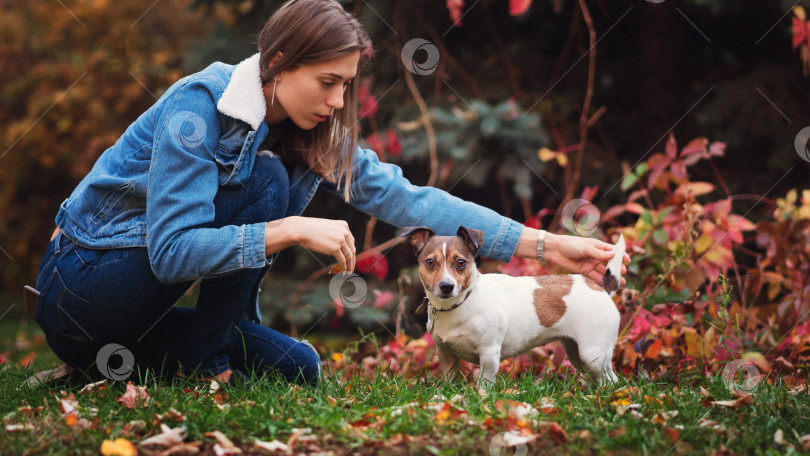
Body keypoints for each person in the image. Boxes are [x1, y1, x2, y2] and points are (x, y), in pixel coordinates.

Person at [31, 0, 628, 388]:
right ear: (280, 63)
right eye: (328, 83)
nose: (339, 102)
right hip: (86, 291)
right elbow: (170, 253)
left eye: (346, 85)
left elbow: (413, 202)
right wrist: (288, 229)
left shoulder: (311, 134)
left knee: (301, 368)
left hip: (137, 318)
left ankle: (138, 363)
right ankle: (202, 369)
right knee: (265, 183)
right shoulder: (199, 109)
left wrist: (546, 246)